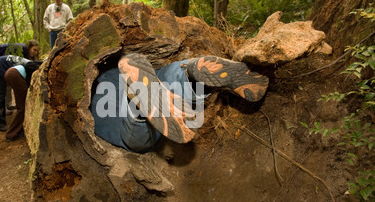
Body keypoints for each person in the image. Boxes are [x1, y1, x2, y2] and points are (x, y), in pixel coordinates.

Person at [90, 54, 269, 153]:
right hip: (118, 69)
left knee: (123, 131)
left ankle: (138, 110)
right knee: (166, 78)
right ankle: (189, 73)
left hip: (99, 93)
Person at [0, 40, 40, 106]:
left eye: (37, 51)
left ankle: (8, 105)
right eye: (34, 50)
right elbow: (3, 59)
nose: (35, 53)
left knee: (7, 83)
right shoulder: (18, 49)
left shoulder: (25, 54)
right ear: (28, 47)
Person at [0, 55, 33, 132]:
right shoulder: (31, 65)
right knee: (1, 94)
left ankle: (0, 118)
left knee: (4, 92)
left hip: (1, 64)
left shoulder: (29, 63)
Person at [4, 61, 43, 141]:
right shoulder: (36, 67)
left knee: (23, 105)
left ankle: (20, 129)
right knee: (23, 107)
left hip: (11, 73)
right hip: (14, 74)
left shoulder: (34, 65)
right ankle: (11, 134)